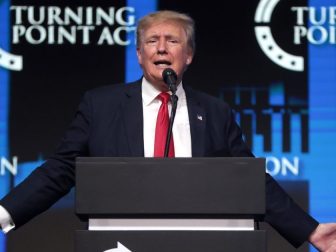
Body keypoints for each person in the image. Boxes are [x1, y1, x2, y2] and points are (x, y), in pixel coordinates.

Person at [1, 10, 336, 251]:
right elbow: (59, 170)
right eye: (152, 41)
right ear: (139, 54)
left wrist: (311, 231)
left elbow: (249, 181)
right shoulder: (101, 106)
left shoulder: (215, 113)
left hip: (198, 244)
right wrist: (3, 214)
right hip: (119, 244)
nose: (161, 48)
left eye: (171, 40)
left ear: (188, 55)